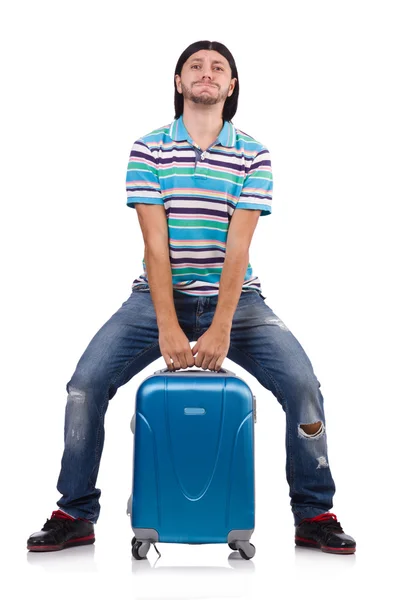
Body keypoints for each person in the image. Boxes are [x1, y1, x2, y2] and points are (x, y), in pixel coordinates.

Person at [27, 40, 356, 555]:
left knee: (303, 387)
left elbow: (237, 248)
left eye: (218, 67)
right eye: (195, 67)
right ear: (179, 83)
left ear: (232, 85)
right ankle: (75, 513)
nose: (207, 73)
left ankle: (314, 513)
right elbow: (155, 247)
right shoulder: (148, 148)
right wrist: (167, 325)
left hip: (237, 301)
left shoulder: (254, 154)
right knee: (85, 386)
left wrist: (221, 326)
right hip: (156, 297)